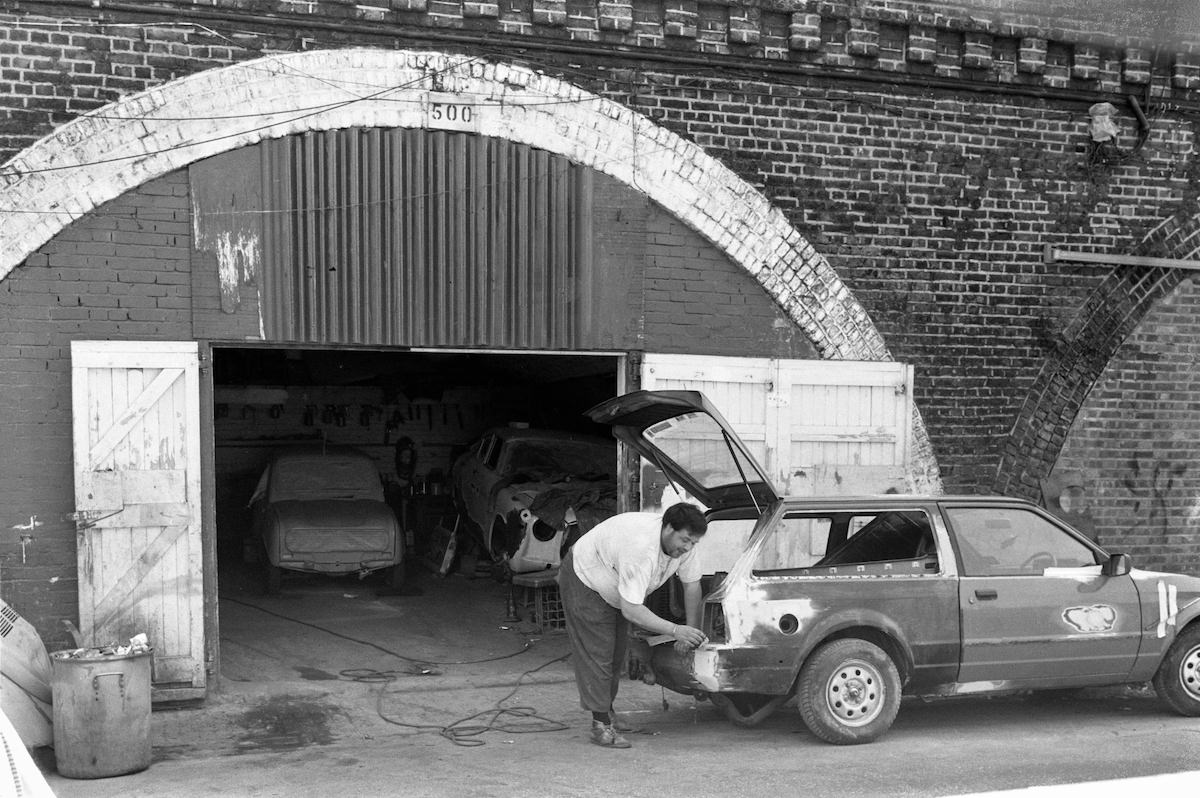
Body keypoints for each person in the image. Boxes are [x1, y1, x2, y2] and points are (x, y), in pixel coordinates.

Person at [557, 502, 709, 749]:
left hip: (615, 583)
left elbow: (692, 585)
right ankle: (600, 724)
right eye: (685, 540)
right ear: (668, 528)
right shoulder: (641, 549)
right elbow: (631, 609)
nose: (688, 547)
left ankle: (608, 713)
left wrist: (689, 635)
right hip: (586, 577)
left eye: (694, 542)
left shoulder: (685, 545)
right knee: (599, 653)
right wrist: (675, 630)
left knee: (617, 653)